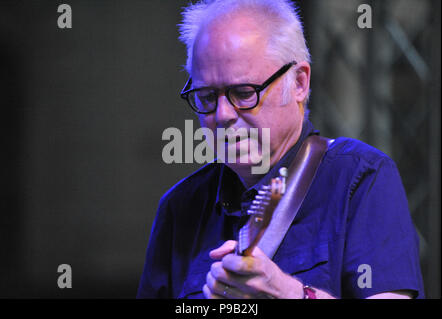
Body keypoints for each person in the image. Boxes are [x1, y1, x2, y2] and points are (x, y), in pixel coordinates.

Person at [137, 0, 424, 299]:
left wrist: (287, 292)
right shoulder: (179, 208)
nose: (222, 114)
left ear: (299, 82)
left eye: (244, 93)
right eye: (207, 96)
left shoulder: (360, 178)